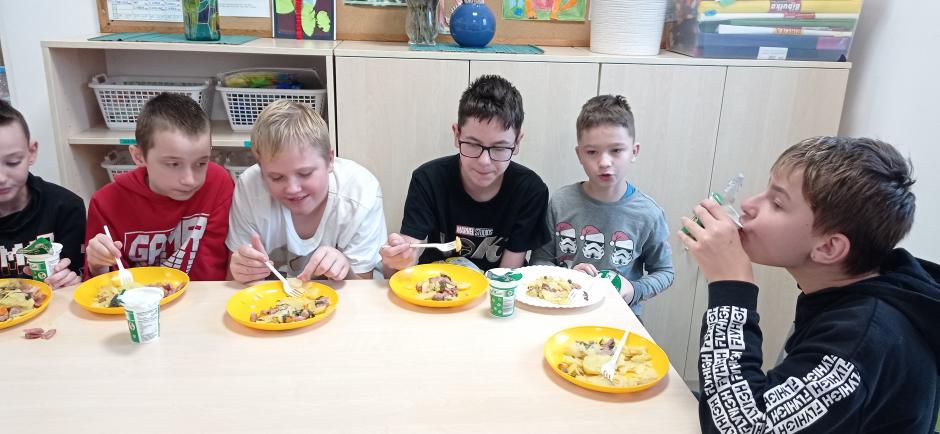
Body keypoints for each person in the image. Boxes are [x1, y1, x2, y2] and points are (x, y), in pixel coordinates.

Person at [680, 136, 940, 433]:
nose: (749, 205)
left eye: (777, 203)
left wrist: (731, 286)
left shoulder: (862, 338)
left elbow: (742, 429)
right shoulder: (846, 291)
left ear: (828, 248)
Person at [380, 75, 550, 274]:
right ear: (457, 134)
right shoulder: (428, 180)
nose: (484, 161)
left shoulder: (530, 190)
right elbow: (405, 259)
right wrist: (397, 259)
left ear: (517, 142)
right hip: (436, 286)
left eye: (499, 148)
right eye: (473, 144)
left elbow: (506, 277)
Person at [531, 95, 674, 316]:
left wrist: (634, 290)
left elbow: (665, 272)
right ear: (579, 154)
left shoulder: (648, 214)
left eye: (616, 150)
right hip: (564, 312)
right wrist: (567, 277)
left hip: (620, 317)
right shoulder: (561, 202)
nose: (605, 162)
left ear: (634, 151)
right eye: (592, 152)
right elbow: (540, 260)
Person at [227, 100, 385, 282]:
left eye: (305, 173)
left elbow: (362, 290)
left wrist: (346, 272)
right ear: (261, 170)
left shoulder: (360, 193)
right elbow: (234, 281)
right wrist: (242, 271)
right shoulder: (250, 187)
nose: (293, 189)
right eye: (276, 177)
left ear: (330, 160)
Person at [84, 93, 233, 280]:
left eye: (201, 163)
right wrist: (98, 266)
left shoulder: (218, 184)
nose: (190, 180)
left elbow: (211, 272)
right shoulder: (106, 203)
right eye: (173, 164)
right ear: (139, 156)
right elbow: (103, 284)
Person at [0, 100, 84, 288]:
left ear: (31, 152)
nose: (1, 178)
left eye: (13, 162)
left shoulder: (66, 207)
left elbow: (78, 274)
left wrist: (71, 280)